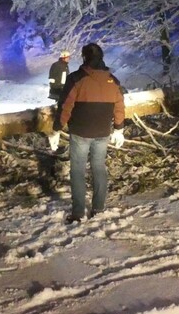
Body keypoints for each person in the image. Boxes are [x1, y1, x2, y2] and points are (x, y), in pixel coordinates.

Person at [52, 43, 125, 223]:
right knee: (99, 168)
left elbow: (65, 106)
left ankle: (78, 213)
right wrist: (119, 128)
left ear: (84, 57)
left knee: (77, 170)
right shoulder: (113, 81)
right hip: (102, 132)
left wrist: (56, 129)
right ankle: (98, 209)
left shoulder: (76, 79)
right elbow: (120, 106)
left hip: (80, 132)